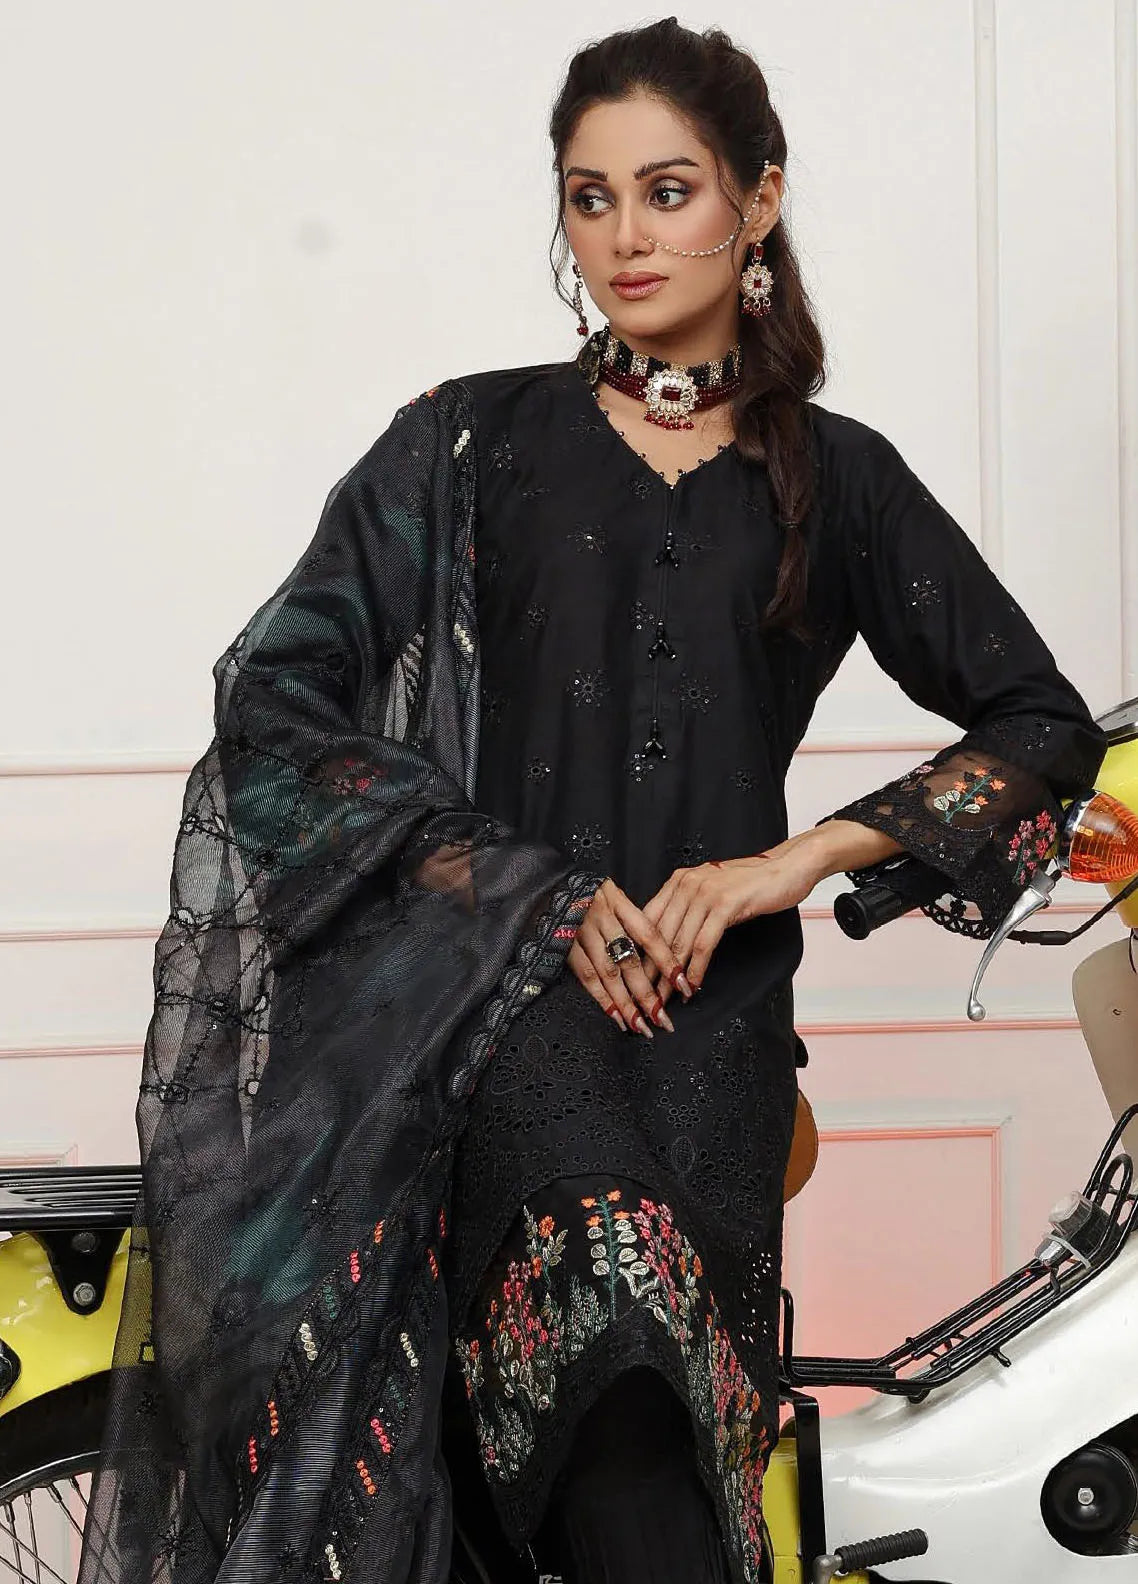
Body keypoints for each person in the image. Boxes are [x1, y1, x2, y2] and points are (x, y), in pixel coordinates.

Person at [78, 17, 1108, 1584]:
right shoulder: (464, 445)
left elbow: (1037, 723)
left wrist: (789, 863)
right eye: (589, 196)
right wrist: (525, 894)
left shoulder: (834, 479)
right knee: (618, 1428)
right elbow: (275, 701)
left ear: (758, 200)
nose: (625, 235)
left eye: (667, 191)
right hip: (496, 1019)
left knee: (653, 1460)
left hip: (712, 1044)